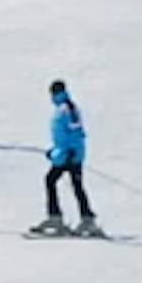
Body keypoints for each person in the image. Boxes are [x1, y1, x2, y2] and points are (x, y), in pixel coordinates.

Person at [36, 79, 100, 236]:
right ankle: (86, 218)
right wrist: (55, 151)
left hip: (69, 155)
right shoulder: (65, 108)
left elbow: (75, 133)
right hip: (67, 153)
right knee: (72, 184)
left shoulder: (66, 109)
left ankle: (59, 218)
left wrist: (68, 152)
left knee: (52, 181)